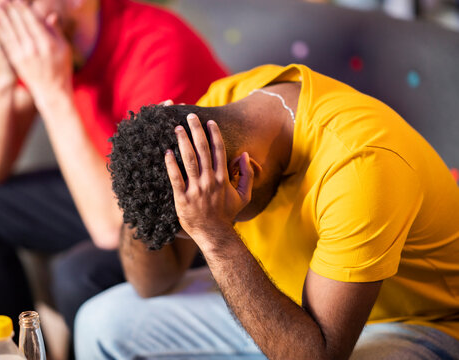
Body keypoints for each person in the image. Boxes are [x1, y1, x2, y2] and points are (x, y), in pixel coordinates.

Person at [74, 64, 459, 359]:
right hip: (282, 300)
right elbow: (150, 284)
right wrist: (139, 176)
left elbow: (317, 353)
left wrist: (216, 236)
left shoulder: (363, 168)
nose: (197, 235)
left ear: (245, 173)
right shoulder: (225, 101)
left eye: (197, 227)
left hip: (413, 323)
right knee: (100, 322)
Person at [0, 0, 226, 349]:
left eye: (23, 2)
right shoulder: (58, 37)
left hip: (185, 214)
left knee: (78, 274)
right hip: (107, 187)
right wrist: (5, 79)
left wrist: (52, 92)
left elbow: (116, 226)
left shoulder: (159, 47)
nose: (8, 17)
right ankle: (8, 353)